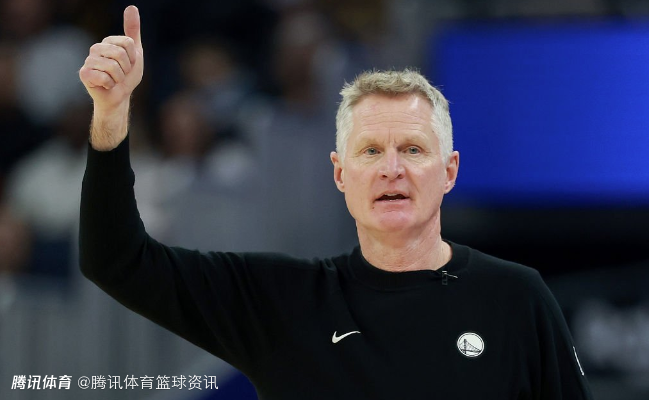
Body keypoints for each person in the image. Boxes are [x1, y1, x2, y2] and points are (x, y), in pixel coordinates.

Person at [78, 6, 594, 399]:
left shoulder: (517, 299)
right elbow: (115, 261)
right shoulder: (281, 302)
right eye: (370, 151)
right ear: (341, 174)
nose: (392, 168)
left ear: (450, 171)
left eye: (413, 149)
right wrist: (111, 115)